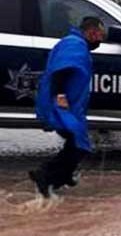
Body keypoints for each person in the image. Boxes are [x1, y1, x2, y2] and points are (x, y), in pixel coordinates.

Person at [30, 17, 106, 197]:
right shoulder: (75, 45)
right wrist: (60, 96)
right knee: (79, 144)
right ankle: (47, 175)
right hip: (61, 104)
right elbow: (61, 72)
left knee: (76, 141)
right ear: (91, 32)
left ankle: (62, 175)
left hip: (69, 105)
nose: (100, 40)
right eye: (99, 35)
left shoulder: (75, 44)